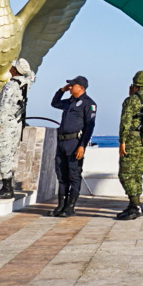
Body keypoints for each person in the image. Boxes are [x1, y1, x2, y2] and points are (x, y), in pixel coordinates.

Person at [49, 75, 97, 218]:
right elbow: (54, 103)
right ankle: (61, 206)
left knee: (73, 175)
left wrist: (82, 146)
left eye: (72, 85)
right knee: (61, 175)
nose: (70, 87)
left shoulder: (89, 104)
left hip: (74, 143)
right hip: (62, 143)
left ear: (81, 88)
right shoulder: (69, 102)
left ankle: (70, 207)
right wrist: (61, 90)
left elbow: (90, 127)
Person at [0, 58, 34, 201]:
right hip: (17, 124)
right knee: (10, 154)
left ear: (14, 70)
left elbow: (4, 106)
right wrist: (24, 68)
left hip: (7, 124)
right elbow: (32, 75)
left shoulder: (10, 86)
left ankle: (7, 188)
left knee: (2, 155)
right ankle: (8, 185)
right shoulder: (27, 82)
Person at [115, 70, 143, 220]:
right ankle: (135, 205)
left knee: (125, 174)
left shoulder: (131, 100)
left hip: (133, 141)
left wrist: (122, 142)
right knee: (137, 174)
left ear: (135, 83)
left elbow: (125, 122)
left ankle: (135, 206)